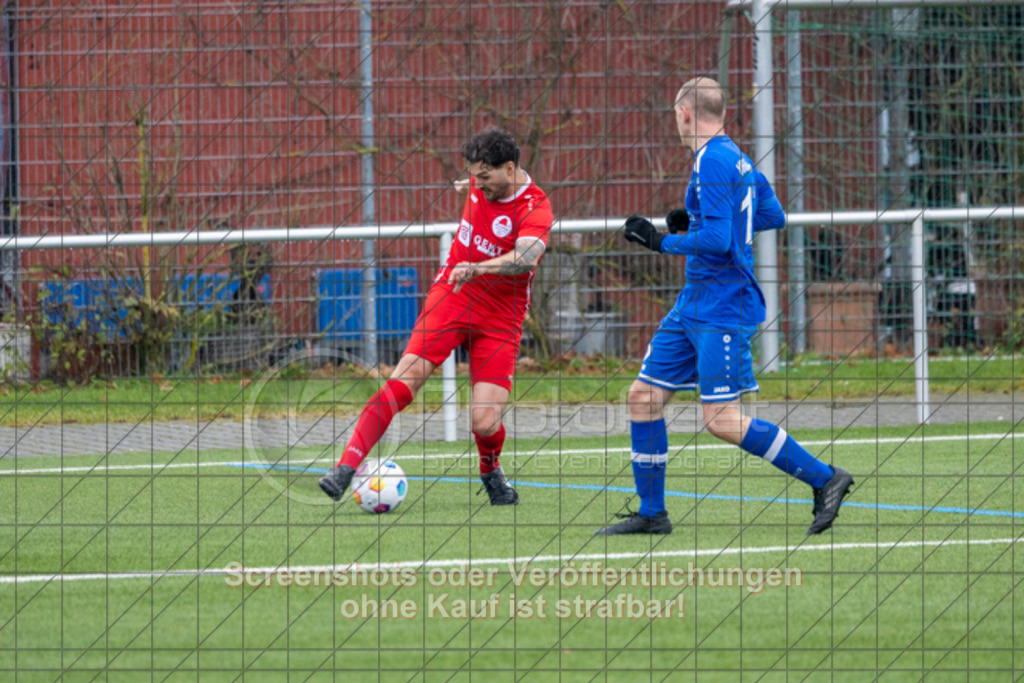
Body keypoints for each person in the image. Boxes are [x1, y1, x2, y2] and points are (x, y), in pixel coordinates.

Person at [596, 77, 854, 536]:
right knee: (644, 396)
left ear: (686, 113)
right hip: (694, 302)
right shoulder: (734, 156)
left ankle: (825, 477)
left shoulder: (714, 160)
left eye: (675, 113)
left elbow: (718, 241)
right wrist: (694, 220)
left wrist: (662, 240)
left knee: (721, 420)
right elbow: (771, 215)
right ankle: (652, 513)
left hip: (723, 305)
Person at [319, 126, 554, 506]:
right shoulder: (483, 184)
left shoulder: (535, 207)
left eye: (485, 177)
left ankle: (490, 470)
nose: (478, 185)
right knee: (404, 381)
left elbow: (525, 258)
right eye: (474, 177)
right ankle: (344, 469)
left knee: (484, 422)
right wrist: (473, 185)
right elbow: (477, 185)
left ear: (510, 169)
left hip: (501, 317)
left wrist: (478, 267)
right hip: (453, 295)